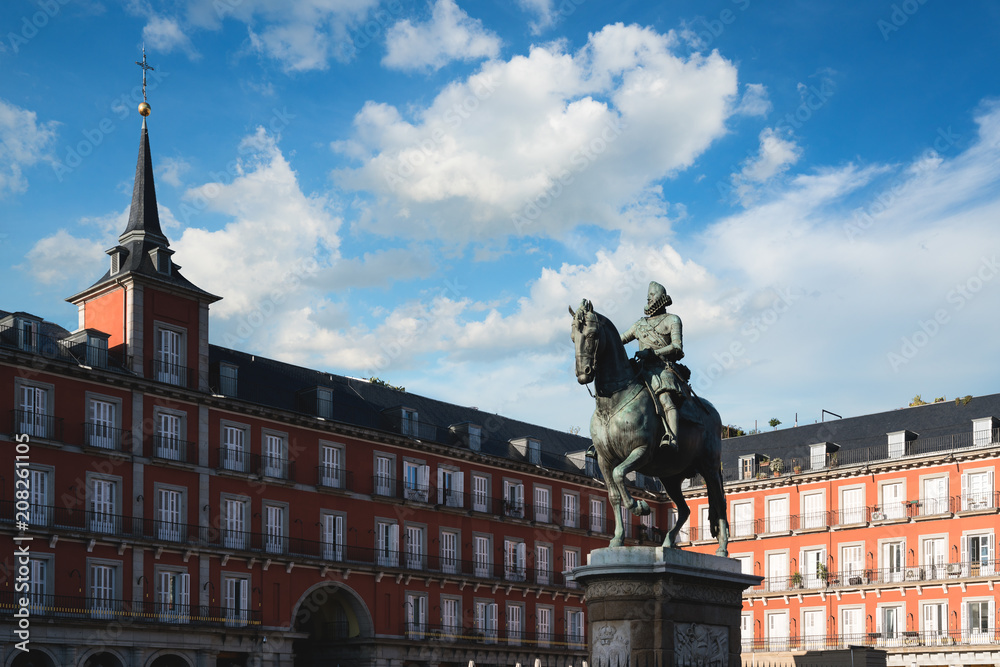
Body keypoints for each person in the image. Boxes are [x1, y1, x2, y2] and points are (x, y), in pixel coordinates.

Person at [620, 281, 688, 454]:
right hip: (640, 369)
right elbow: (618, 339)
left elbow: (677, 346)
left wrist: (653, 353)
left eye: (652, 295)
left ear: (661, 298)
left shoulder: (672, 320)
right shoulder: (639, 324)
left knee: (665, 399)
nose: (648, 298)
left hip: (662, 368)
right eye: (648, 295)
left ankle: (672, 438)